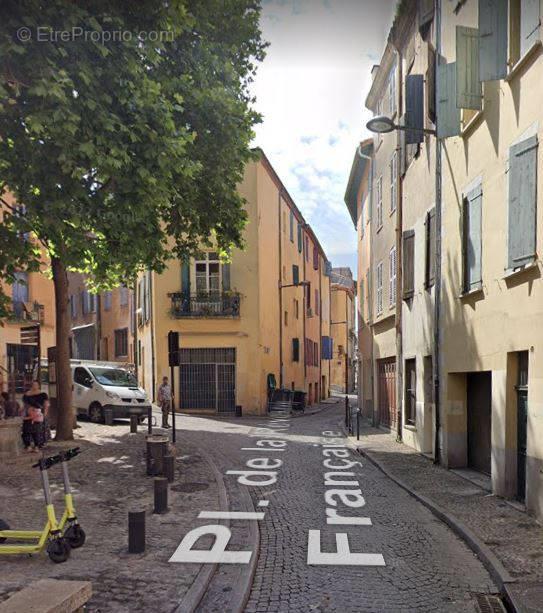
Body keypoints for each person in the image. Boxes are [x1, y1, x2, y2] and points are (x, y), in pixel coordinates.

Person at [22, 381, 48, 452]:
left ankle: (37, 446)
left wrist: (44, 414)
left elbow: (46, 404)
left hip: (38, 414)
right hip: (28, 414)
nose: (34, 386)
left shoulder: (43, 394)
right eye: (33, 384)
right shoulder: (27, 394)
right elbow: (24, 405)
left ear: (38, 385)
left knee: (37, 431)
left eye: (36, 384)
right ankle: (28, 445)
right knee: (26, 430)